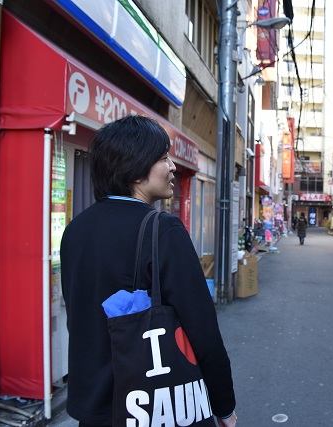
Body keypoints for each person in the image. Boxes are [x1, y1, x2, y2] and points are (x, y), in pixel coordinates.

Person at [60, 116, 237, 427]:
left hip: (94, 407)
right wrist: (224, 405)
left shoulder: (74, 231)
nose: (172, 167)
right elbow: (202, 329)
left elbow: (80, 316)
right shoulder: (163, 229)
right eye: (162, 157)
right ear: (135, 169)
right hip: (151, 405)